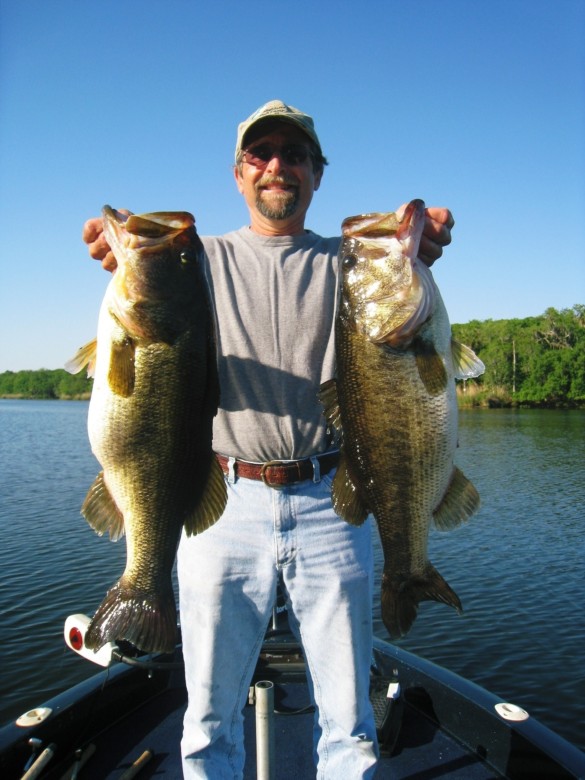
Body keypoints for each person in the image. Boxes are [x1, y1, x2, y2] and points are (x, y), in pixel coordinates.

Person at [83, 99, 454, 779]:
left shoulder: (348, 264)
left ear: (316, 175)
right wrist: (119, 250)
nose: (276, 167)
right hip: (219, 500)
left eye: (293, 156)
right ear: (237, 174)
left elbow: (404, 256)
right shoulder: (197, 260)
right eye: (261, 154)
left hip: (332, 504)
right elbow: (143, 279)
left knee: (349, 714)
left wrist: (422, 236)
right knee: (206, 712)